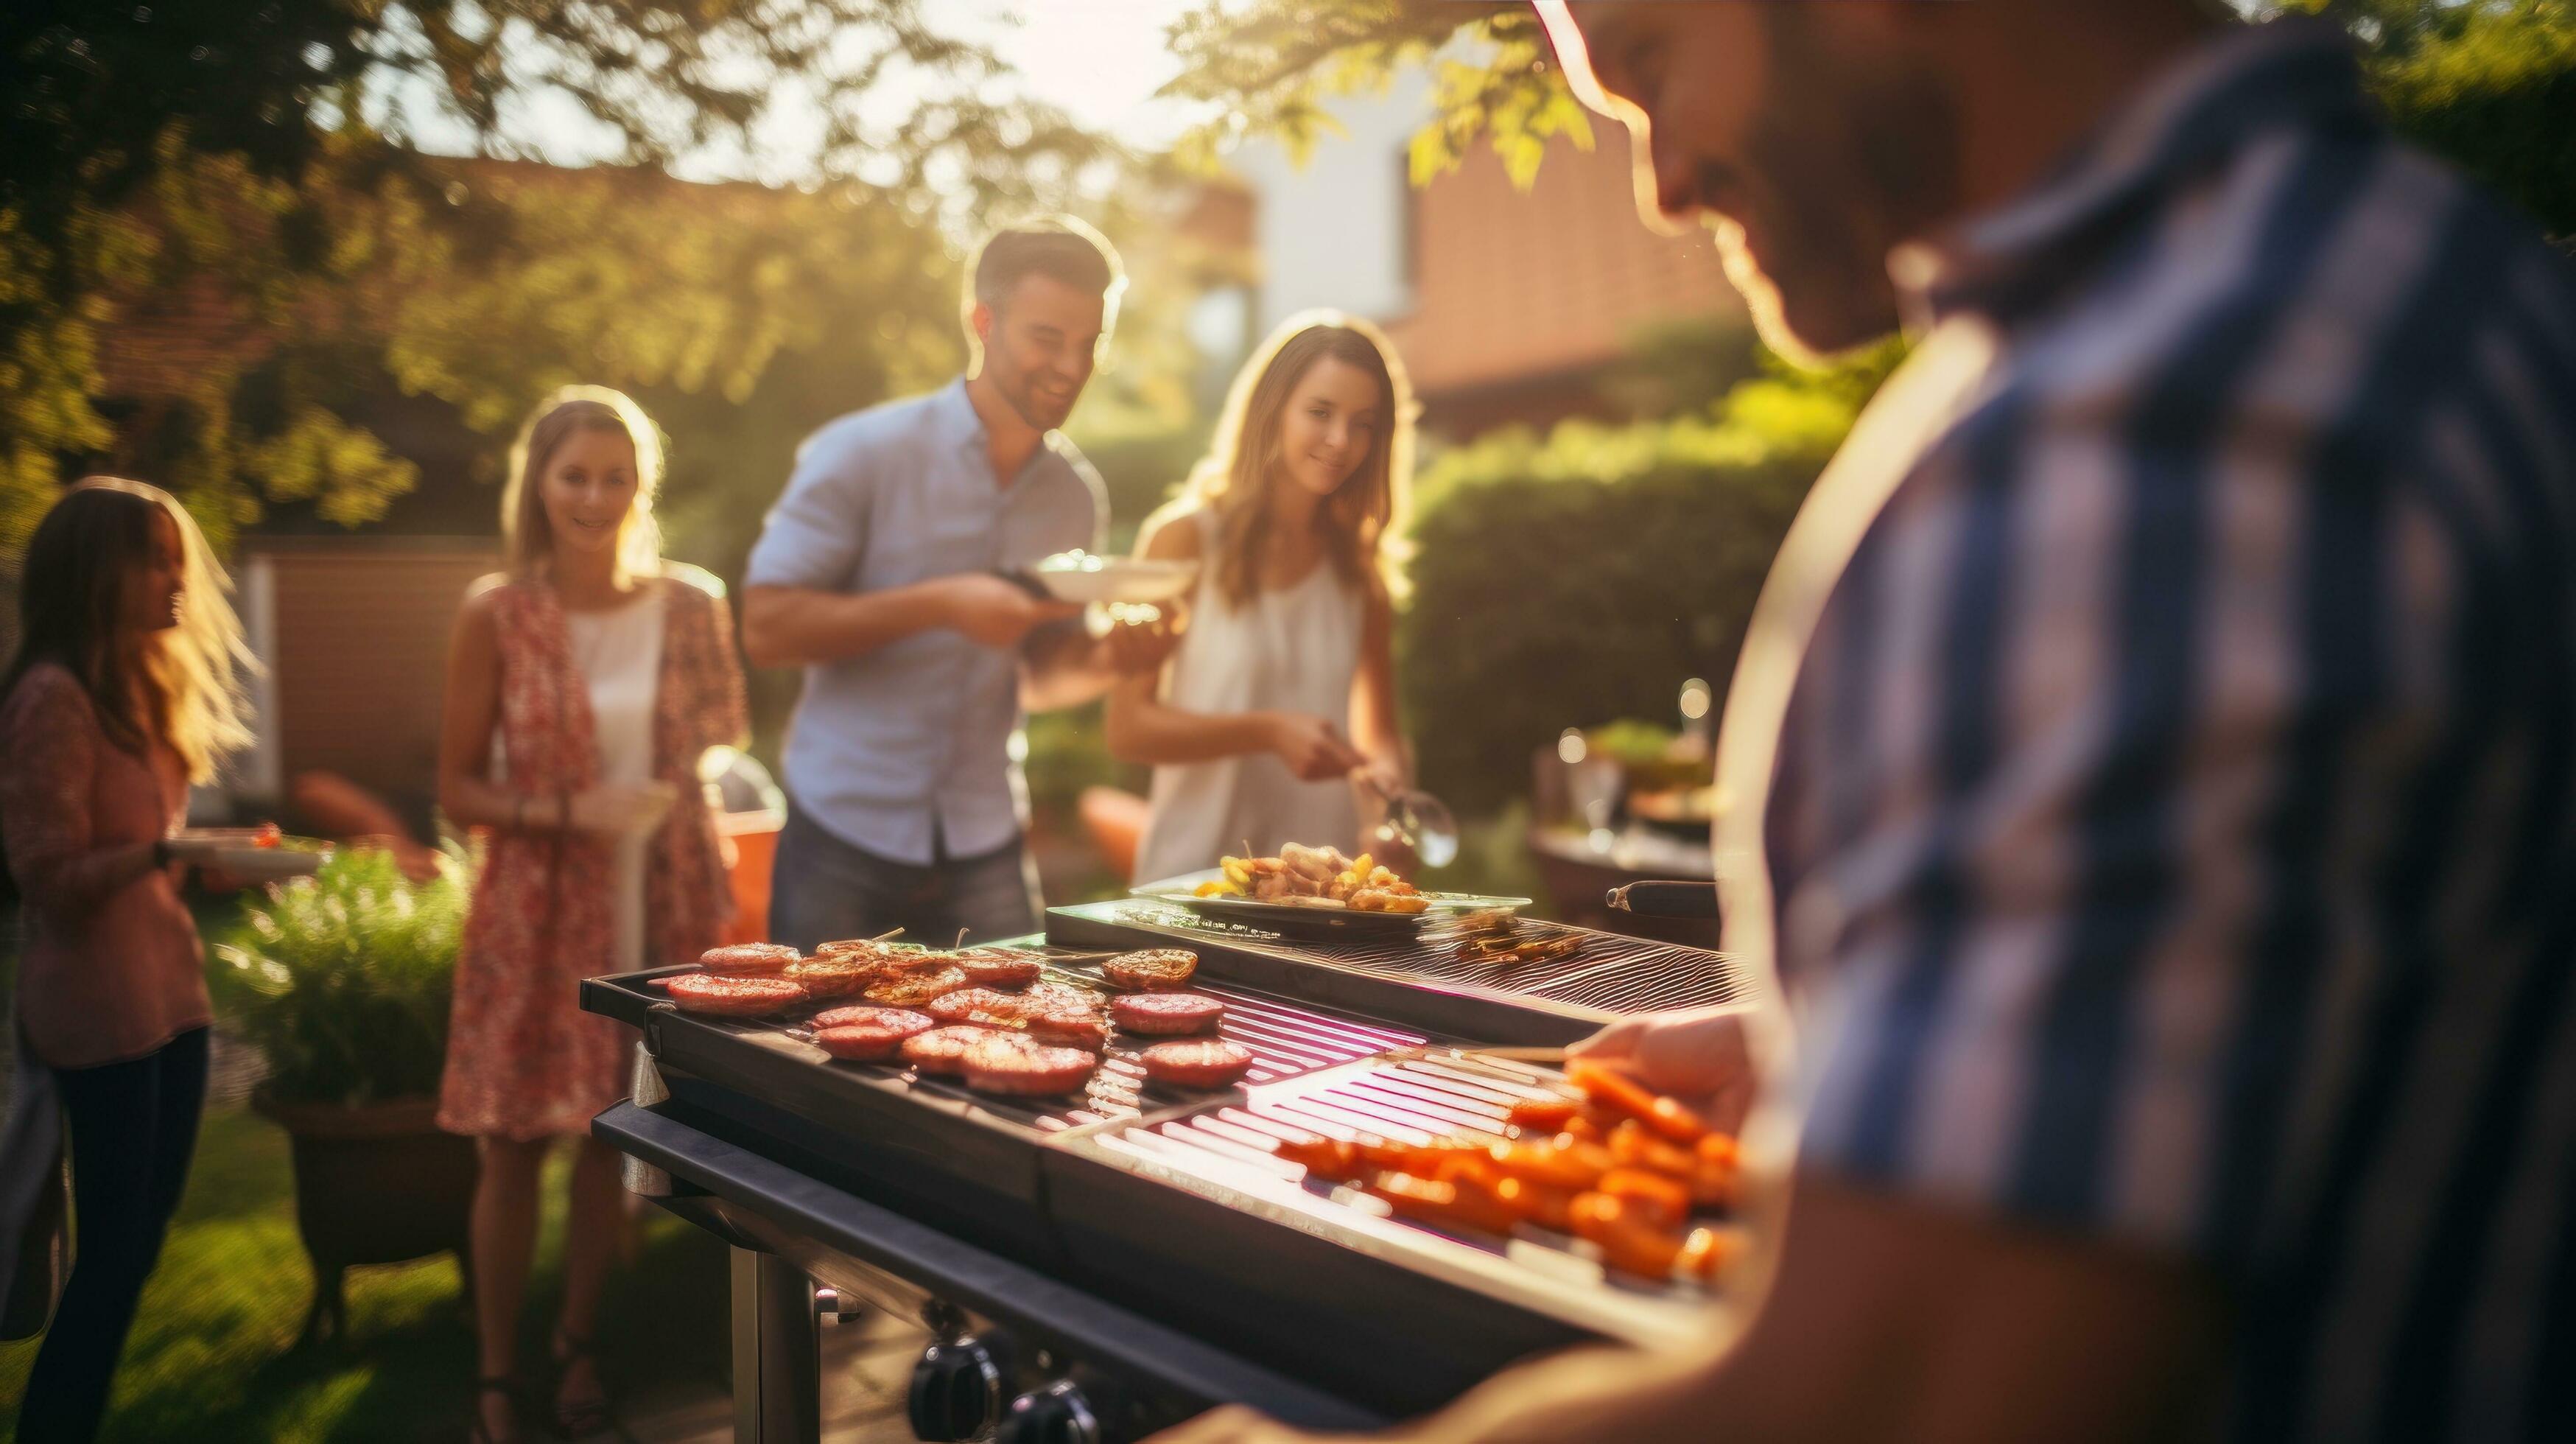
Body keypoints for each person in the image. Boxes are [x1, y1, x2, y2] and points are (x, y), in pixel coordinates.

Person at [1155, 3, 2576, 1443]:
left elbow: (1879, 1399)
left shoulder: (2146, 427)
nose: (1656, 185)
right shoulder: (2429, 277)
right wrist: (1829, 1035)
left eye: (1644, 64)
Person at [435, 386, 747, 1444]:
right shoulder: (498, 611)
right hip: (538, 907)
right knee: (514, 1142)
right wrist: (569, 807)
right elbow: (457, 792)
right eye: (575, 475)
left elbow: (717, 743)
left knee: (610, 1135)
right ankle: (492, 1377)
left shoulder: (692, 604)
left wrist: (668, 804)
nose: (595, 496)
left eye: (616, 477)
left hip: (658, 894)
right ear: (540, 483)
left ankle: (577, 1351)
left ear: (640, 486)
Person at [743, 217, 1176, 950]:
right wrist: (942, 603)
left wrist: (1114, 657)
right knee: (811, 1053)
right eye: (1047, 337)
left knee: (1009, 1048)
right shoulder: (862, 452)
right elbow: (766, 626)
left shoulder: (1074, 495)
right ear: (983, 321)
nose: (1071, 367)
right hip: (842, 838)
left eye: (1089, 343)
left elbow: (1038, 677)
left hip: (986, 839)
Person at [1, 479, 253, 1443]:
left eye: (176, 553)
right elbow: (46, 876)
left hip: (173, 1004)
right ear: (95, 573)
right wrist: (162, 855)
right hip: (96, 1016)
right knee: (106, 1262)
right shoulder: (50, 702)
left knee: (133, 1253)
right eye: (153, 557)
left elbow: (156, 868)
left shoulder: (143, 689)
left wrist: (209, 866)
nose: (177, 575)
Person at [1113, 315, 1417, 883]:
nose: (1340, 442)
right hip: (1190, 889)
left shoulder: (1359, 565)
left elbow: (1380, 734)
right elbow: (1126, 728)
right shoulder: (1183, 538)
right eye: (1320, 412)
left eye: (1363, 424)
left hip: (1321, 893)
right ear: (1271, 409)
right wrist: (1266, 732)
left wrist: (1388, 813)